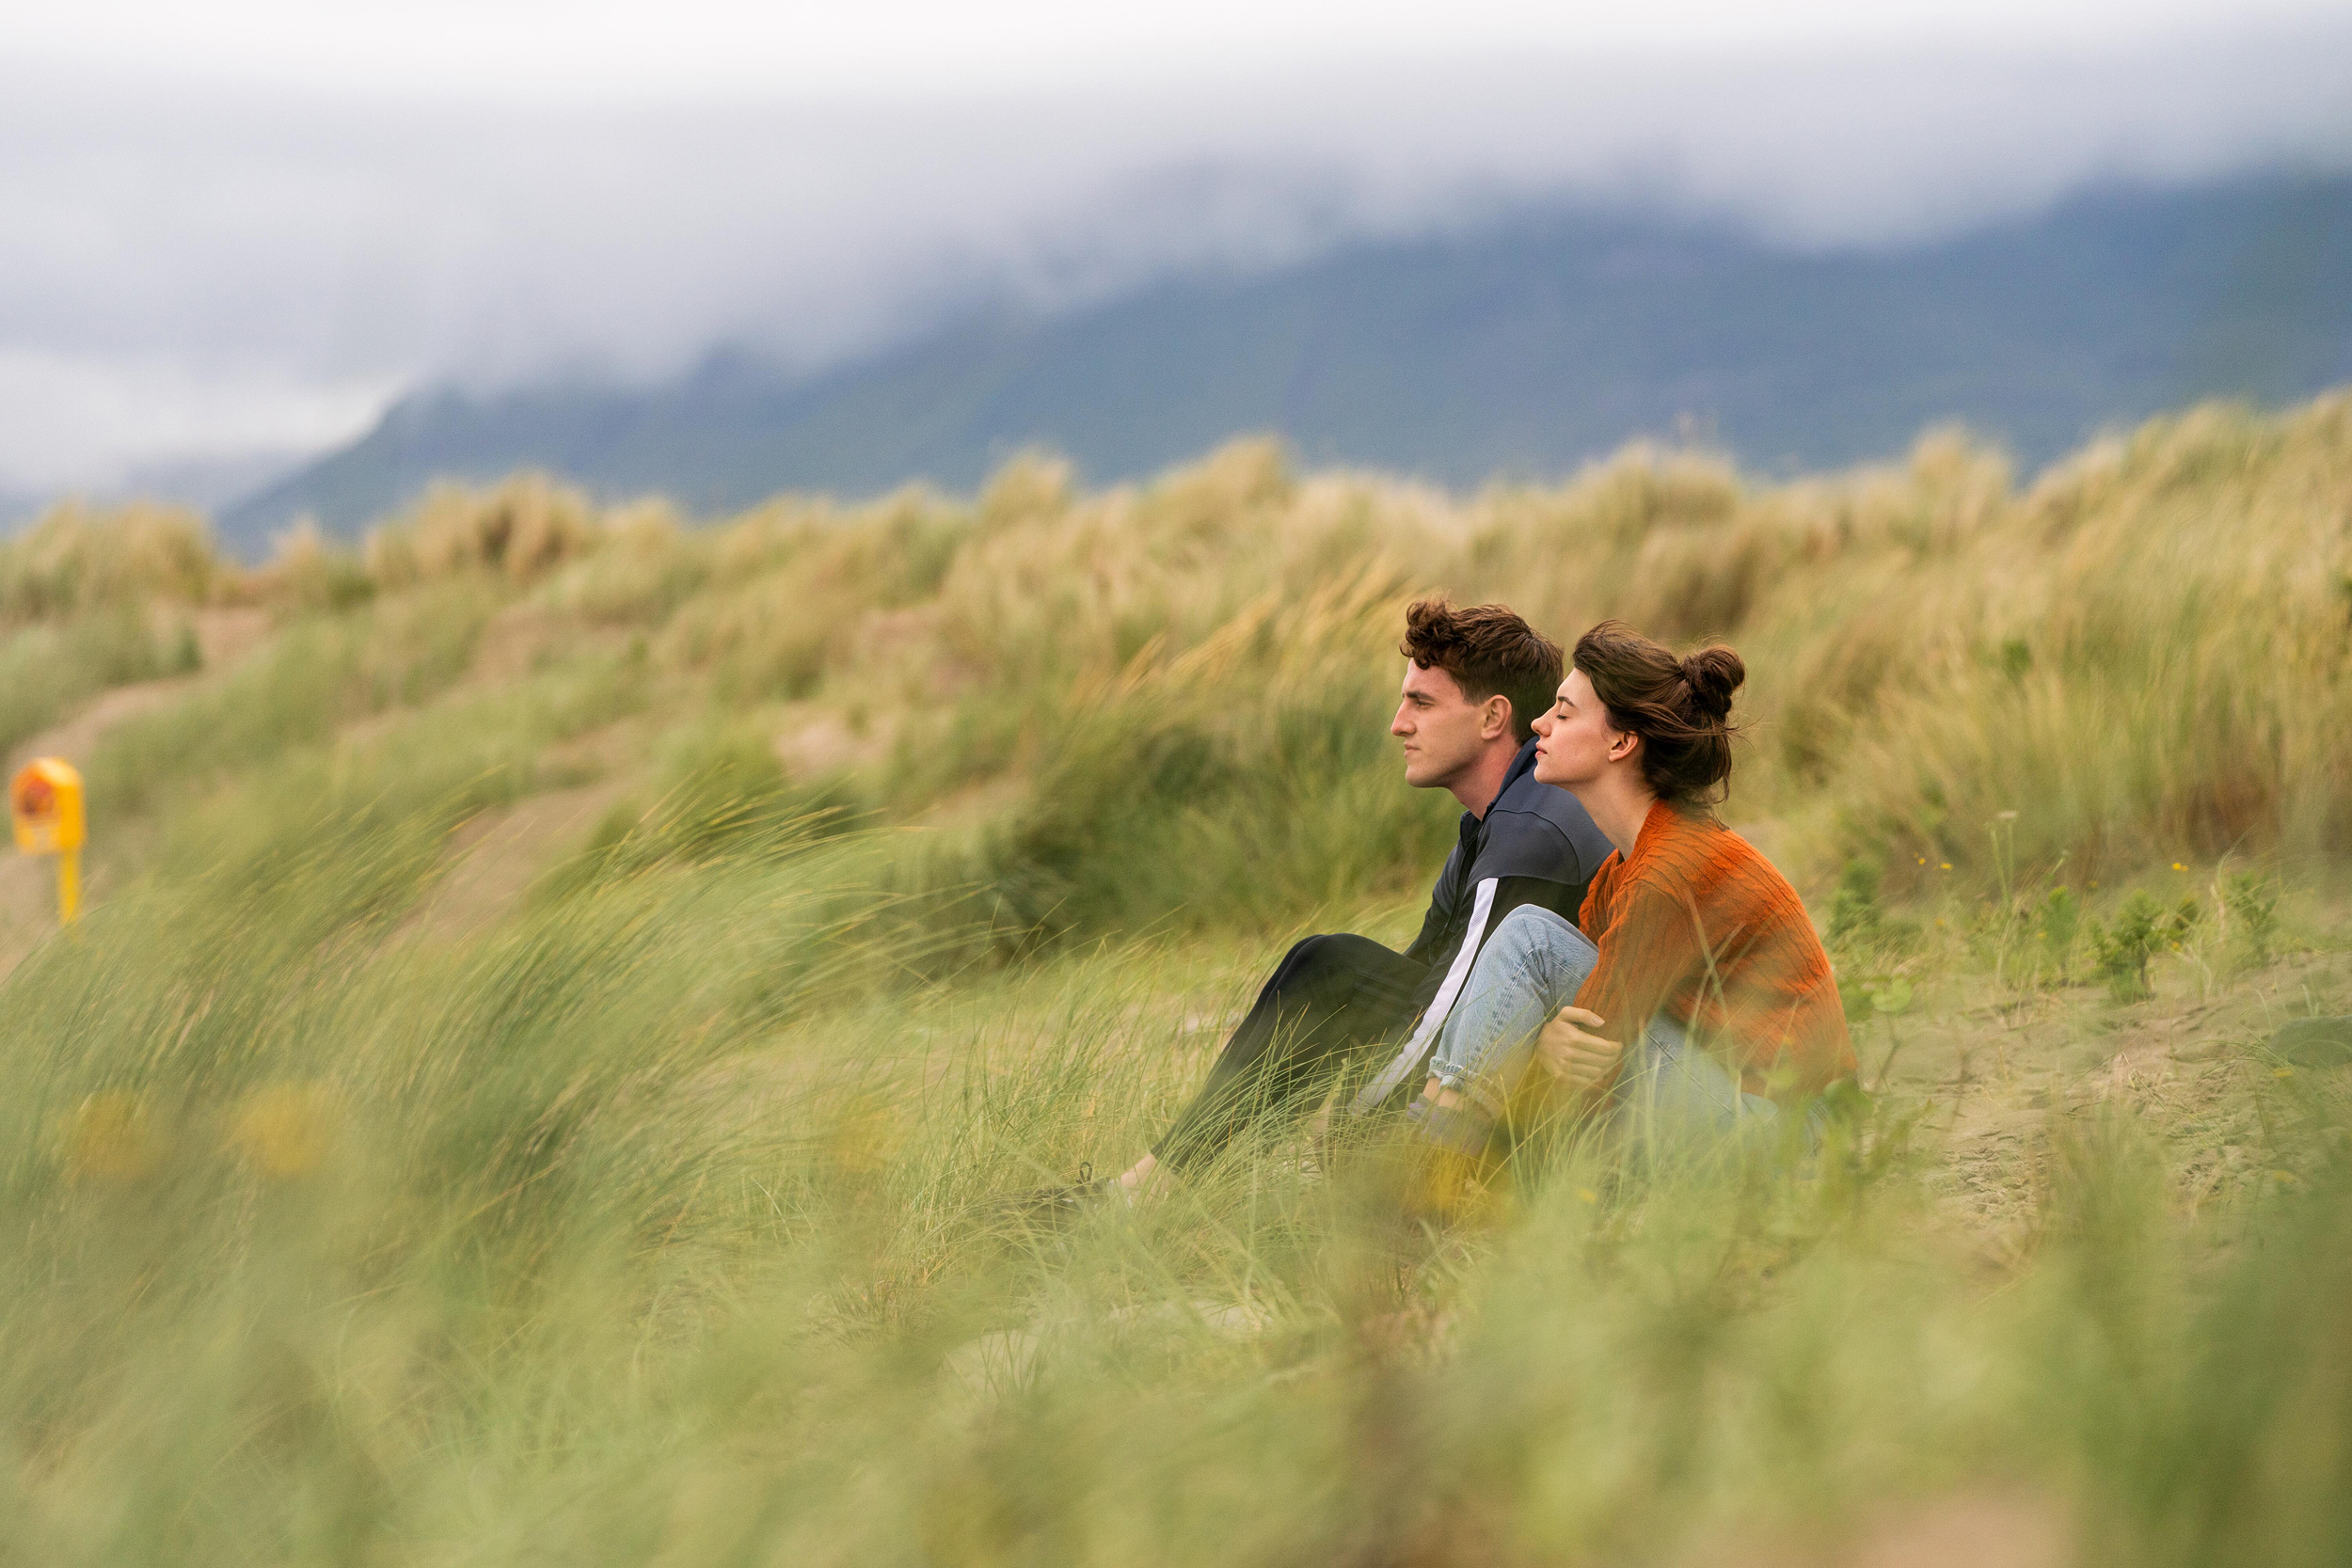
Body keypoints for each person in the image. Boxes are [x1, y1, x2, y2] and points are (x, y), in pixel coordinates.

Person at [1028, 598, 1613, 1212]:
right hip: (1529, 1092)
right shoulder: (1490, 825)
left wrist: (1354, 1144)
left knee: (1332, 968)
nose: (1397, 723)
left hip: (1584, 1116)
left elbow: (1453, 1022)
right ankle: (1182, 1185)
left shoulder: (1529, 829)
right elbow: (1420, 979)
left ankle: (1158, 1191)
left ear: (1494, 716)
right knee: (1331, 971)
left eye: (1421, 702)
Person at [1405, 620, 1857, 1176]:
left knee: (1531, 937)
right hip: (1747, 1113)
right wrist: (1545, 1041)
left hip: (1797, 1141)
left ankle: (1431, 1161)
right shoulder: (1625, 870)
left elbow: (1591, 1066)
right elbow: (1586, 1031)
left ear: (1621, 743)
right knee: (1538, 948)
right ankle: (1438, 1156)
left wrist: (1546, 1054)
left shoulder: (1668, 872)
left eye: (1564, 713)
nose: (1539, 725)